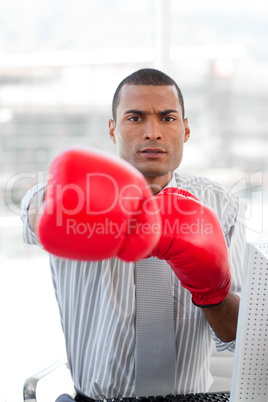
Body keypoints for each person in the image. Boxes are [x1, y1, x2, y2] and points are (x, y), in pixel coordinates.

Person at [21, 68, 245, 401]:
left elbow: (238, 335)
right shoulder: (69, 193)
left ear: (185, 129)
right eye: (135, 117)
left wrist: (212, 291)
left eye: (167, 118)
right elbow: (37, 213)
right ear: (113, 129)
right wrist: (87, 209)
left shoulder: (217, 202)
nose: (153, 132)